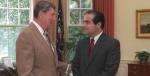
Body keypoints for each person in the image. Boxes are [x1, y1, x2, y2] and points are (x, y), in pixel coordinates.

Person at [16, 1, 71, 76]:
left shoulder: (45, 34)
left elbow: (49, 62)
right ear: (41, 14)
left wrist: (69, 67)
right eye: (52, 15)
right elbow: (25, 73)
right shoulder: (26, 35)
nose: (54, 19)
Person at [72, 10, 120, 76]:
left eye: (87, 22)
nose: (83, 25)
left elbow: (110, 71)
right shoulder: (81, 43)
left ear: (98, 25)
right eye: (84, 22)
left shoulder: (112, 44)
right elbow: (75, 66)